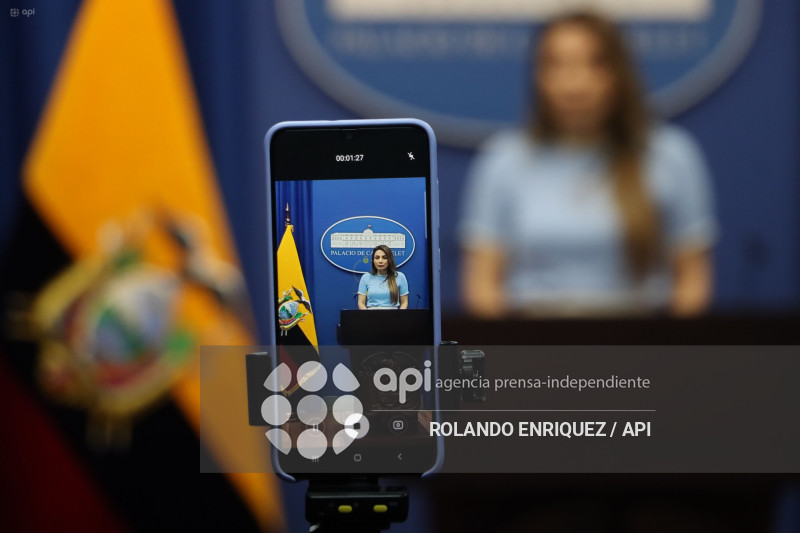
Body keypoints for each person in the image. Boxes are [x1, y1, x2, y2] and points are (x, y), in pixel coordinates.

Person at [459, 11, 717, 318]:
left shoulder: (671, 154)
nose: (575, 84)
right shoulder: (502, 160)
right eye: (557, 65)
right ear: (538, 76)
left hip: (644, 347)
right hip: (532, 347)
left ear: (619, 73)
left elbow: (693, 281)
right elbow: (481, 287)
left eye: (594, 63)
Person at [358, 245, 409, 309]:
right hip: (371, 317)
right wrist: (368, 317)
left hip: (394, 317)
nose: (380, 261)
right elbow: (361, 303)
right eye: (377, 258)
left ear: (390, 260)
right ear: (373, 260)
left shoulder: (400, 277)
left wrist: (398, 317)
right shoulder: (365, 277)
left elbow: (404, 302)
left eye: (384, 257)